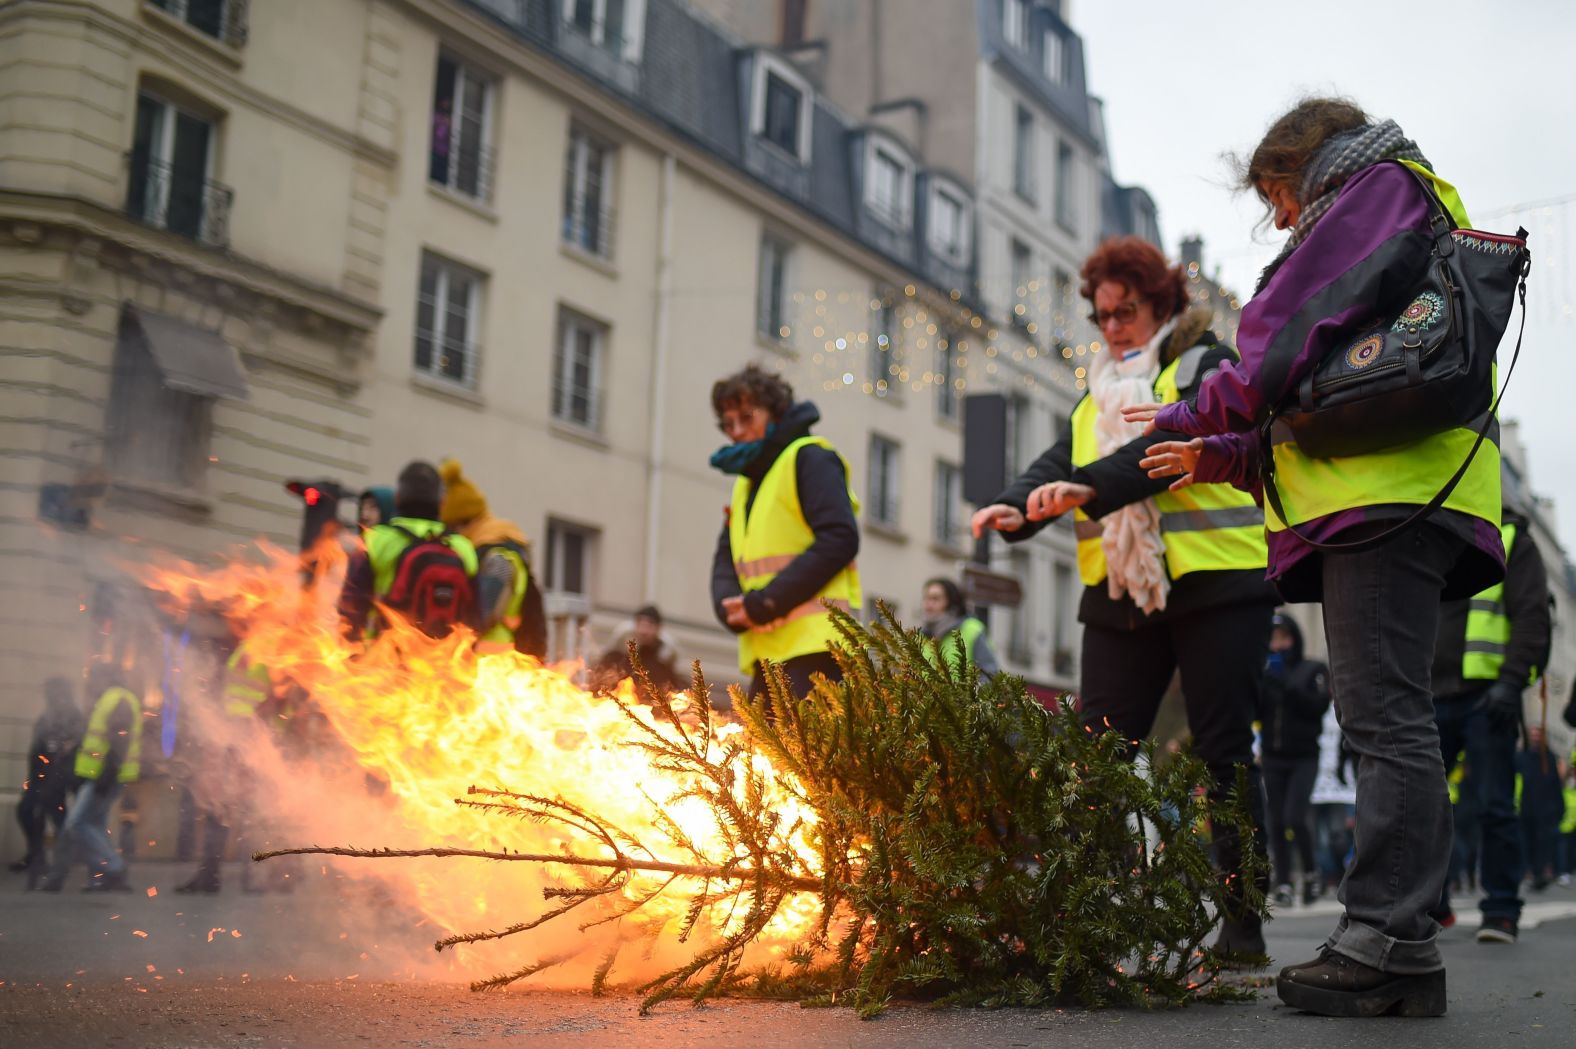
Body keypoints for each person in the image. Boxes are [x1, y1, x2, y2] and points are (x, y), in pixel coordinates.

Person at [1130, 99, 1504, 1017]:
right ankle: (1394, 941)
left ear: (1304, 162)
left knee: (1383, 718)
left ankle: (1386, 936)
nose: (1283, 218)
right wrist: (1220, 452)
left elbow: (1290, 332)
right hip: (1390, 491)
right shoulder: (1398, 195)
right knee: (1384, 713)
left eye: (1277, 195)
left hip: (1384, 500)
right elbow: (1340, 389)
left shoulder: (1372, 191)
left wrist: (1196, 410)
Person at [970, 235, 1276, 959]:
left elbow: (1176, 436)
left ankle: (1243, 925)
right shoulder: (1098, 389)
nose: (1112, 326)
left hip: (1217, 582)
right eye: (1101, 315)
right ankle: (1087, 916)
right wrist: (1016, 504)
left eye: (1126, 310)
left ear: (1161, 302)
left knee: (1224, 756)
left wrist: (1094, 487)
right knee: (1098, 755)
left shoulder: (1206, 364)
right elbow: (1060, 461)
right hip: (1121, 595)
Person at [1430, 504, 1550, 942]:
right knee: (1417, 805)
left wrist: (1511, 681)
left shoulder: (1513, 537)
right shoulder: (1431, 523)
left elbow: (1532, 616)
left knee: (1494, 804)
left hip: (1488, 695)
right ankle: (1430, 905)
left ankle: (1501, 910)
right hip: (1429, 691)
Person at [708, 364, 861, 703]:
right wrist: (728, 608)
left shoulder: (810, 458)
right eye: (727, 423)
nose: (735, 431)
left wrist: (763, 604)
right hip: (768, 656)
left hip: (817, 652)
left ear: (775, 412)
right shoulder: (746, 484)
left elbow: (839, 539)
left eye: (746, 417)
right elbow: (727, 558)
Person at [339, 460, 479, 640]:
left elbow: (350, 607)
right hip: (445, 661)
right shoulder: (463, 547)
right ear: (442, 503)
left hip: (384, 659)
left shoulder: (373, 540)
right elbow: (476, 617)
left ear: (397, 498)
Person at [41, 666, 140, 892]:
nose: (90, 684)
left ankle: (114, 868)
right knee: (94, 823)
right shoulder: (112, 698)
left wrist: (108, 772)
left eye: (93, 679)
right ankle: (108, 873)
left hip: (104, 774)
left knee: (77, 823)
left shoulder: (117, 699)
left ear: (105, 678)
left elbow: (120, 738)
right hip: (101, 773)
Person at [438, 459, 547, 658]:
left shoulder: (498, 556)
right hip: (498, 660)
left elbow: (483, 613)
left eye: (452, 528)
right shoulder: (498, 545)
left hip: (490, 661)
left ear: (463, 523)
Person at [1258, 612, 1331, 908]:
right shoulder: (1264, 674)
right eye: (1273, 639)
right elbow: (1255, 713)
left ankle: (1311, 872)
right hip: (1273, 758)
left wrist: (1286, 683)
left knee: (1296, 817)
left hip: (1304, 757)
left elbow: (1317, 708)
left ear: (1294, 639)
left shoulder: (1312, 669)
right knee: (1275, 820)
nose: (1278, 645)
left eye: (1283, 638)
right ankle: (1285, 880)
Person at [10, 677, 84, 888]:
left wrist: (61, 774)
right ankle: (37, 855)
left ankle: (60, 862)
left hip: (59, 776)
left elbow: (72, 746)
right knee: (26, 811)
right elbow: (39, 747)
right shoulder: (49, 715)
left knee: (58, 818)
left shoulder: (72, 716)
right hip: (40, 775)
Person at [918, 578, 1000, 681]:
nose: (928, 604)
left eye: (935, 599)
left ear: (951, 602)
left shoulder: (972, 629)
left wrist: (974, 696)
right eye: (926, 598)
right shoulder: (921, 635)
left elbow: (990, 672)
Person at [590, 605, 683, 696]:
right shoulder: (617, 659)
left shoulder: (663, 669)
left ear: (658, 628)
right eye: (640, 624)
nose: (644, 631)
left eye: (649, 625)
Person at [1518, 725, 1565, 892]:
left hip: (1545, 809)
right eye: (1533, 735)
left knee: (1542, 843)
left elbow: (1555, 786)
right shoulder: (1523, 757)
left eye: (1539, 735)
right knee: (1528, 843)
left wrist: (1559, 807)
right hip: (1526, 808)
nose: (1536, 738)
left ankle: (1540, 874)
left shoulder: (1549, 758)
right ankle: (1531, 872)